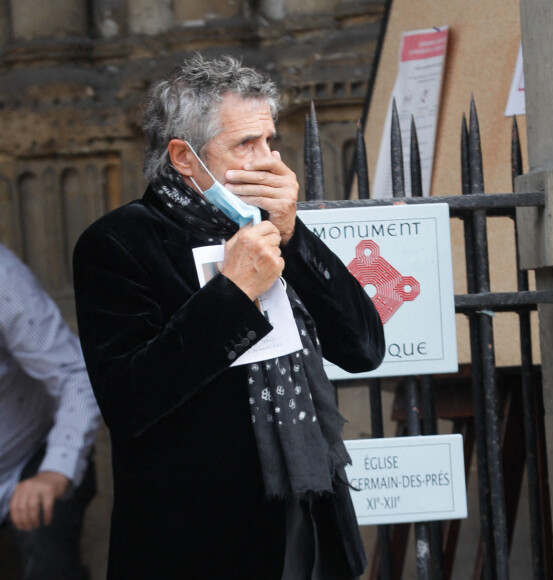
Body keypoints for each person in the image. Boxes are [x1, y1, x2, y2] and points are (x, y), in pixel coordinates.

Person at [73, 53, 385, 580]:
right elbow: (129, 402)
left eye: (269, 140)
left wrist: (293, 234)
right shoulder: (119, 242)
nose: (269, 161)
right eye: (245, 144)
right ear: (184, 157)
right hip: (198, 541)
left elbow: (363, 347)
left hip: (309, 521)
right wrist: (234, 292)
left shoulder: (272, 227)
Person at [0, 243, 101, 579]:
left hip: (28, 460)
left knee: (49, 564)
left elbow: (75, 374)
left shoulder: (3, 277)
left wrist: (54, 472)